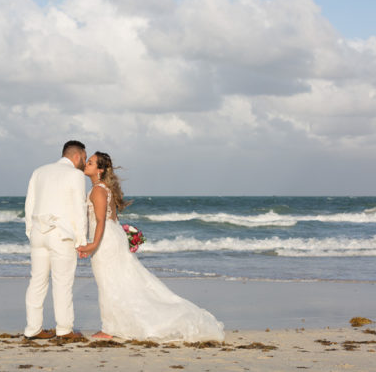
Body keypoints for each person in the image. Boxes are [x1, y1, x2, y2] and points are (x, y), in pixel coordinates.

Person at [77, 152, 225, 342]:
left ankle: (108, 328)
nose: (86, 165)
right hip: (113, 237)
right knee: (120, 281)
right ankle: (113, 325)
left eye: (90, 162)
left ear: (100, 169)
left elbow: (100, 221)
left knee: (108, 282)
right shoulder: (106, 188)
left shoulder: (97, 190)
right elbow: (112, 219)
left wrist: (93, 244)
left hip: (105, 241)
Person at [23, 140, 88, 340]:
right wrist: (81, 240)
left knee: (37, 282)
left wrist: (30, 231)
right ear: (77, 156)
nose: (84, 162)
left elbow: (29, 204)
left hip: (38, 233)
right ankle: (64, 329)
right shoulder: (76, 175)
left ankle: (33, 329)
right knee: (62, 282)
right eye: (84, 158)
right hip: (61, 235)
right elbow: (79, 208)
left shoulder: (39, 171)